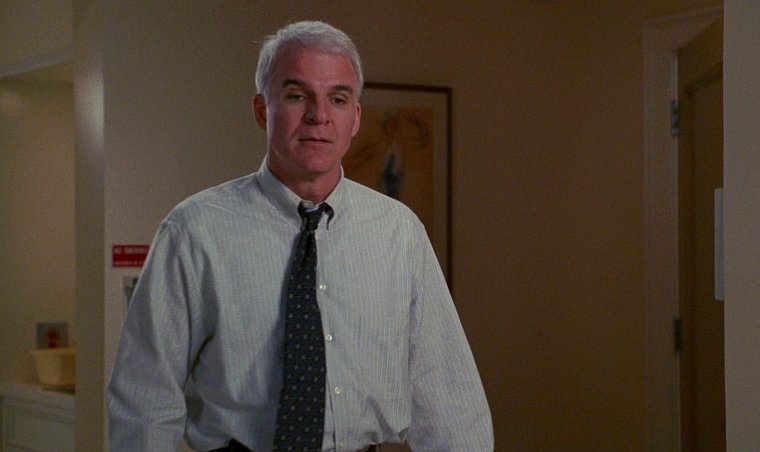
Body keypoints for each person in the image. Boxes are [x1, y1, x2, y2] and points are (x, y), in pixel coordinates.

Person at [106, 20, 493, 452]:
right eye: (296, 96)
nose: (318, 115)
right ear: (261, 110)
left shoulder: (399, 234)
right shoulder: (193, 232)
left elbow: (450, 403)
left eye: (337, 99)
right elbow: (145, 400)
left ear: (355, 118)